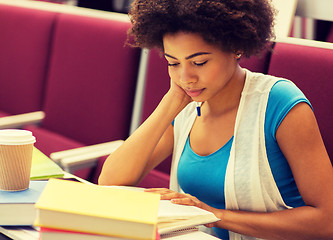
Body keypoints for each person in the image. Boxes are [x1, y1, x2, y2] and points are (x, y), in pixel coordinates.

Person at [98, 0, 333, 239]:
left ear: (235, 48)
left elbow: (327, 222)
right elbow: (110, 181)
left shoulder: (279, 103)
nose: (185, 77)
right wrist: (172, 101)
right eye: (173, 63)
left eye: (199, 62)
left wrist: (213, 215)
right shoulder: (185, 107)